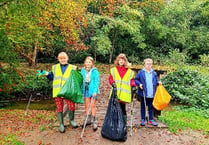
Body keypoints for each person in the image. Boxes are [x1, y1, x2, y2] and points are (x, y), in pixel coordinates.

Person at [37, 52, 78, 133]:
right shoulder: (55, 67)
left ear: (67, 58)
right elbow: (52, 77)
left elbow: (76, 79)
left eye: (64, 58)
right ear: (58, 59)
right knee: (59, 107)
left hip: (68, 91)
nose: (63, 60)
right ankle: (61, 124)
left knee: (71, 106)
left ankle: (71, 120)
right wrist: (46, 73)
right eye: (61, 58)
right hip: (58, 91)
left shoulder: (73, 68)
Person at [109, 53, 136, 124]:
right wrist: (112, 83)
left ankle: (124, 122)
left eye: (123, 60)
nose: (121, 61)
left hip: (124, 94)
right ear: (117, 61)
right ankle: (115, 122)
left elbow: (132, 80)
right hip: (116, 92)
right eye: (120, 60)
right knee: (115, 108)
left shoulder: (129, 71)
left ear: (125, 61)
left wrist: (133, 85)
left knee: (123, 108)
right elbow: (111, 78)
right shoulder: (113, 70)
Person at [134, 58, 161, 126]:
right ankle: (143, 119)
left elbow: (155, 81)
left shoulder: (154, 73)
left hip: (151, 93)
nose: (149, 65)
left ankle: (151, 119)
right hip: (143, 93)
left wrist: (158, 82)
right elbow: (136, 80)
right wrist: (139, 84)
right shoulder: (140, 72)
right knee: (143, 106)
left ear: (152, 65)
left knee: (151, 107)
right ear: (144, 64)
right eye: (147, 64)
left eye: (150, 64)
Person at [81, 56, 100, 131]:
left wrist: (95, 91)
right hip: (85, 89)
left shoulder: (95, 71)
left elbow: (96, 82)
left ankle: (94, 120)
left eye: (90, 62)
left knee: (93, 105)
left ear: (92, 63)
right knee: (87, 105)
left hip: (92, 90)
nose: (88, 63)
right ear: (85, 63)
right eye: (87, 62)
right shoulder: (83, 70)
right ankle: (88, 120)